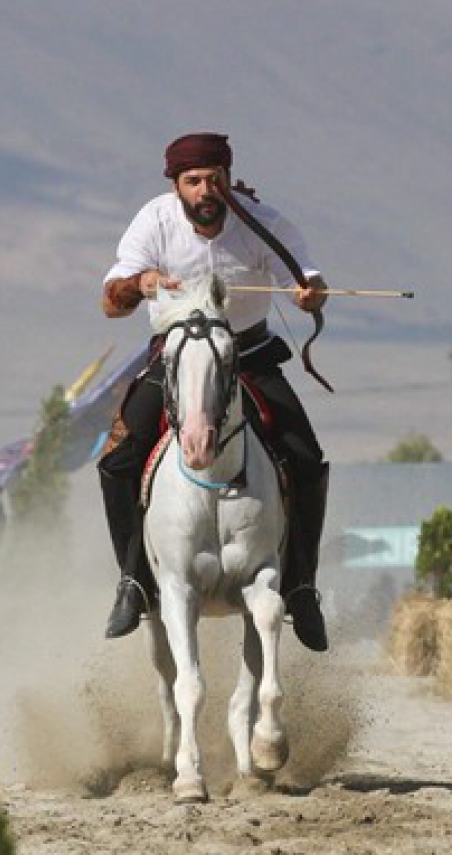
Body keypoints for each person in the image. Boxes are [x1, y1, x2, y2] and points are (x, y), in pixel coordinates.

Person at [98, 132, 330, 651]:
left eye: (214, 179)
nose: (206, 190)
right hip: (178, 359)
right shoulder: (153, 221)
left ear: (228, 178)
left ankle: (301, 585)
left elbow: (307, 279)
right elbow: (110, 301)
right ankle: (134, 579)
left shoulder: (261, 223)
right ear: (177, 186)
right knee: (117, 459)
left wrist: (310, 293)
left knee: (307, 458)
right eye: (193, 181)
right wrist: (140, 283)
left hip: (248, 356)